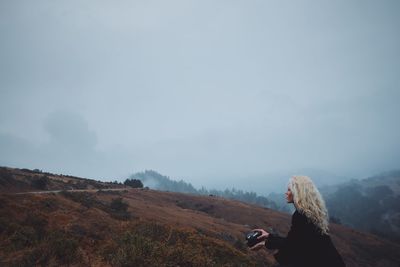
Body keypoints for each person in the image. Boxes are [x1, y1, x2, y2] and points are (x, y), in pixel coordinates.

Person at [250, 175, 345, 267]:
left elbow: (291, 245)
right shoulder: (310, 212)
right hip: (331, 261)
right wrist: (269, 236)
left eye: (289, 190)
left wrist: (265, 243)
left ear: (298, 193)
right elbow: (295, 241)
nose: (286, 193)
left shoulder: (300, 215)